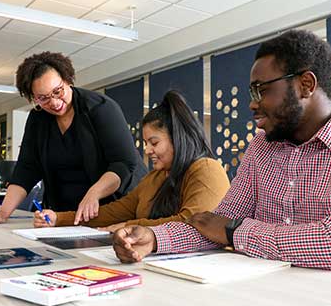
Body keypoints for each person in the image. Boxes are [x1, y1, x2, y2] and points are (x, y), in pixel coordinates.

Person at [113, 30, 331, 306]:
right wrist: (153, 238)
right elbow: (213, 224)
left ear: (305, 85)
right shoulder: (261, 148)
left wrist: (236, 232)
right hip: (264, 297)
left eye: (262, 90)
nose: (252, 103)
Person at [0, 52, 146, 225]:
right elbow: (27, 168)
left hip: (114, 207)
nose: (54, 103)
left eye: (58, 91)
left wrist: (94, 193)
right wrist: (2, 214)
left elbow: (123, 163)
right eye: (43, 98)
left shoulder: (100, 108)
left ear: (67, 79)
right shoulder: (37, 119)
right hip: (65, 213)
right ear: (32, 98)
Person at [34, 91, 230, 231]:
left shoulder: (206, 169)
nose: (147, 150)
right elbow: (116, 211)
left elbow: (192, 223)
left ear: (178, 138)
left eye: (154, 142)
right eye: (146, 143)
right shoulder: (155, 178)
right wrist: (58, 218)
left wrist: (131, 226)